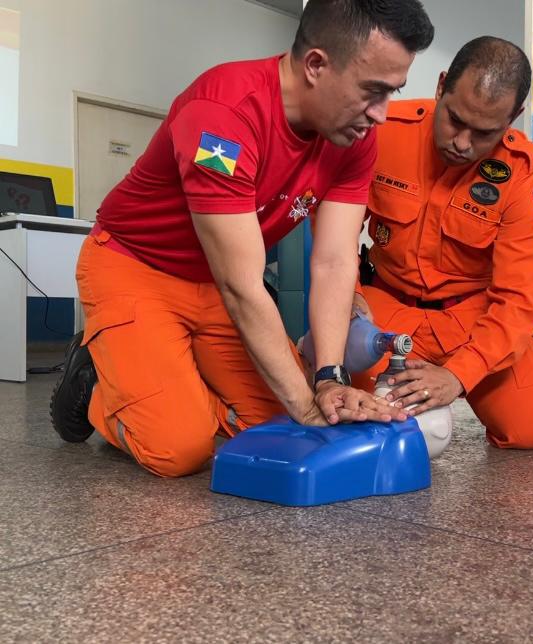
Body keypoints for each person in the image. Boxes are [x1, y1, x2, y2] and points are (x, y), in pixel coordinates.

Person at [49, 0, 434, 477]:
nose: (381, 114)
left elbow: (335, 261)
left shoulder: (354, 136)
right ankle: (100, 389)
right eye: (372, 91)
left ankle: (161, 380)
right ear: (316, 64)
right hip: (135, 267)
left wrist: (328, 379)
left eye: (392, 92)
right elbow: (243, 286)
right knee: (179, 449)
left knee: (275, 422)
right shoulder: (224, 114)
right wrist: (309, 406)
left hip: (213, 283)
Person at [352, 36, 533, 449]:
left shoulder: (521, 174)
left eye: (485, 132)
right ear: (440, 87)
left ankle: (454, 385)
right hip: (386, 309)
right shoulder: (383, 132)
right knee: (354, 409)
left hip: (471, 318)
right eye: (454, 119)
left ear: (513, 118)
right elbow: (334, 233)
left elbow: (520, 299)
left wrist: (458, 375)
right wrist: (349, 296)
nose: (463, 143)